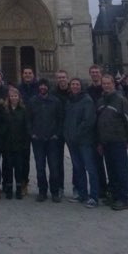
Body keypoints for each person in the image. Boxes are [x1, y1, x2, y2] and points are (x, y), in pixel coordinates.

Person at [96, 73, 128, 211]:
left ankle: (123, 199)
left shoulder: (121, 100)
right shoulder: (101, 101)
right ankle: (114, 195)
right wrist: (100, 142)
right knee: (111, 170)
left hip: (118, 140)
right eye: (104, 83)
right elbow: (98, 123)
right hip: (106, 142)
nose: (106, 85)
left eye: (108, 83)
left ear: (113, 84)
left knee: (121, 170)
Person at [27, 78, 63, 202]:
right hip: (38, 140)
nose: (42, 87)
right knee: (40, 167)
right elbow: (28, 119)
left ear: (48, 87)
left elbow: (60, 120)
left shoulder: (55, 101)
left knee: (54, 167)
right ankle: (42, 191)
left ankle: (55, 191)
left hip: (52, 140)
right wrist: (32, 133)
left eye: (44, 86)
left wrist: (56, 134)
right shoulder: (32, 101)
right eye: (41, 86)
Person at [64, 78, 98, 208]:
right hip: (72, 140)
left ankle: (94, 196)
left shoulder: (87, 100)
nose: (75, 86)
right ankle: (82, 194)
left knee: (90, 168)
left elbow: (88, 121)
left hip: (84, 140)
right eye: (73, 84)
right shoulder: (70, 100)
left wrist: (76, 135)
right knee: (78, 168)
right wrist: (67, 135)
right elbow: (67, 121)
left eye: (77, 84)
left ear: (81, 86)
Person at [87, 64, 108, 199]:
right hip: (94, 130)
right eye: (92, 72)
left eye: (96, 72)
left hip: (108, 130)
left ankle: (114, 190)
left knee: (112, 163)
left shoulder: (108, 89)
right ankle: (102, 188)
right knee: (97, 162)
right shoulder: (88, 90)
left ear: (101, 73)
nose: (94, 74)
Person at [2, 86, 27, 199]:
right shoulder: (4, 110)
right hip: (7, 143)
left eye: (15, 96)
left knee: (19, 167)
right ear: (9, 97)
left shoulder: (23, 110)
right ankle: (8, 188)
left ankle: (18, 188)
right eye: (11, 96)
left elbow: (26, 127)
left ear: (19, 97)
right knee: (8, 167)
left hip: (20, 143)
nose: (13, 98)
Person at [17, 66, 39, 196]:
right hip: (23, 129)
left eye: (30, 73)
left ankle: (45, 185)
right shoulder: (18, 89)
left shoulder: (40, 88)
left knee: (40, 158)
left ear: (33, 74)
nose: (27, 75)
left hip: (37, 127)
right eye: (25, 73)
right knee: (24, 158)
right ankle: (23, 182)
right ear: (22, 75)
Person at [53, 69, 70, 197]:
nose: (61, 79)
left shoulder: (75, 91)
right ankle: (59, 187)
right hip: (58, 131)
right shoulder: (52, 93)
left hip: (71, 131)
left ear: (67, 78)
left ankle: (78, 188)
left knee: (77, 161)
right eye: (59, 77)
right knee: (57, 161)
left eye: (63, 77)